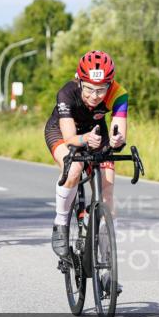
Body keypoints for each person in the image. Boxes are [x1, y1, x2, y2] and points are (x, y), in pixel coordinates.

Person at [45, 50, 127, 261]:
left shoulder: (118, 93)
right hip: (63, 132)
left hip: (96, 133)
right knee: (74, 168)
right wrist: (85, 140)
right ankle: (61, 223)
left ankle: (108, 261)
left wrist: (118, 140)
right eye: (89, 89)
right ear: (79, 81)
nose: (94, 96)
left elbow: (119, 128)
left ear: (110, 85)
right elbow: (71, 137)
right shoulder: (67, 93)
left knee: (107, 191)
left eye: (101, 90)